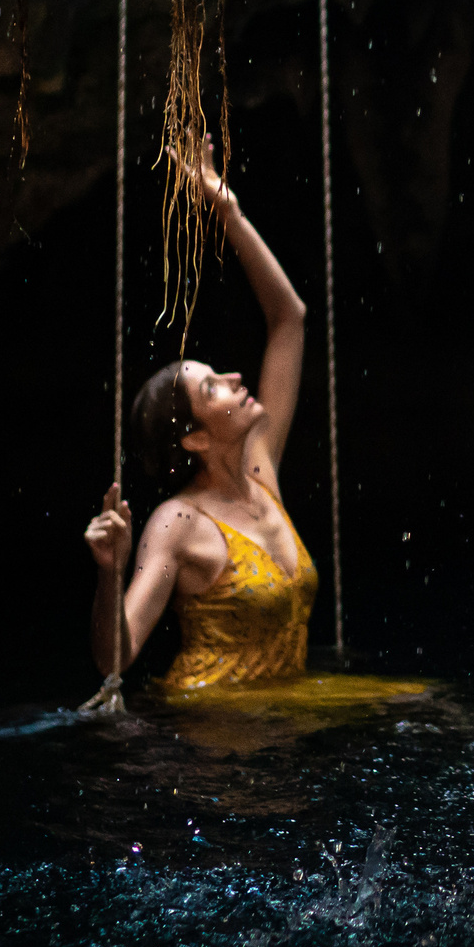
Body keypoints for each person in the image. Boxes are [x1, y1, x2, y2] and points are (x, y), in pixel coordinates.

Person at [83, 156, 316, 690]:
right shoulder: (176, 522)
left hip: (273, 723)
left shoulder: (261, 470)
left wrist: (227, 210)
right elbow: (115, 660)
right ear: (196, 436)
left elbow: (289, 320)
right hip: (210, 737)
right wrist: (108, 574)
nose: (235, 376)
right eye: (212, 386)